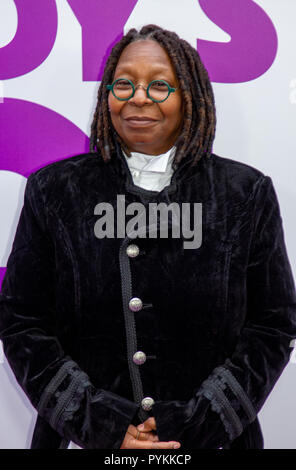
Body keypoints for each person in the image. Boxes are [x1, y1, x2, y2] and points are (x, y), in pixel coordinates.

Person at [0, 24, 296, 450]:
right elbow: (22, 322)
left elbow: (272, 325)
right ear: (107, 96)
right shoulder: (54, 191)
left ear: (189, 96)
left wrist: (192, 426)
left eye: (160, 85)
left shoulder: (245, 193)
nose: (139, 97)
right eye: (124, 84)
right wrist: (102, 425)